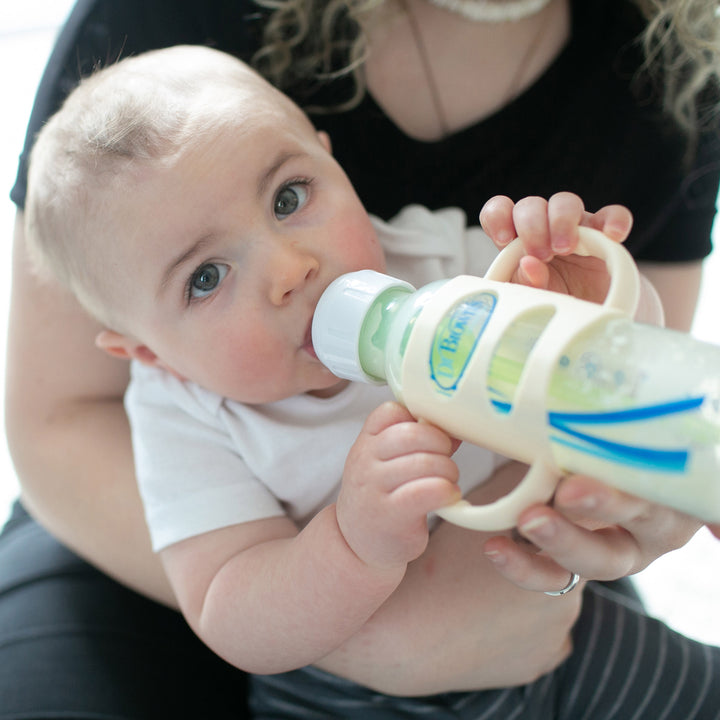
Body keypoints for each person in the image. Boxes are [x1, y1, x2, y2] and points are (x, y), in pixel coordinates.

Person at [2, 0, 719, 717]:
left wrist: (586, 307)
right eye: (206, 277)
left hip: (547, 631)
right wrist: (350, 543)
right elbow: (232, 609)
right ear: (149, 352)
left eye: (289, 197)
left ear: (328, 156)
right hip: (347, 691)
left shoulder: (434, 257)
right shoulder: (184, 417)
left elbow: (599, 379)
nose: (291, 267)